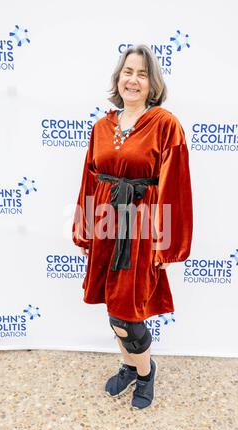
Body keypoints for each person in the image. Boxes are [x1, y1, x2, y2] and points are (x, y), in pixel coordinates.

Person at [72, 44, 193, 410]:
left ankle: (145, 372)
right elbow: (90, 179)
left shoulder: (166, 125)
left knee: (127, 315)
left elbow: (176, 187)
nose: (134, 80)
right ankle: (129, 365)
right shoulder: (101, 126)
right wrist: (84, 228)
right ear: (118, 78)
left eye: (142, 74)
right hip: (107, 223)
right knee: (114, 307)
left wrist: (168, 245)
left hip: (141, 230)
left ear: (152, 82)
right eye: (128, 72)